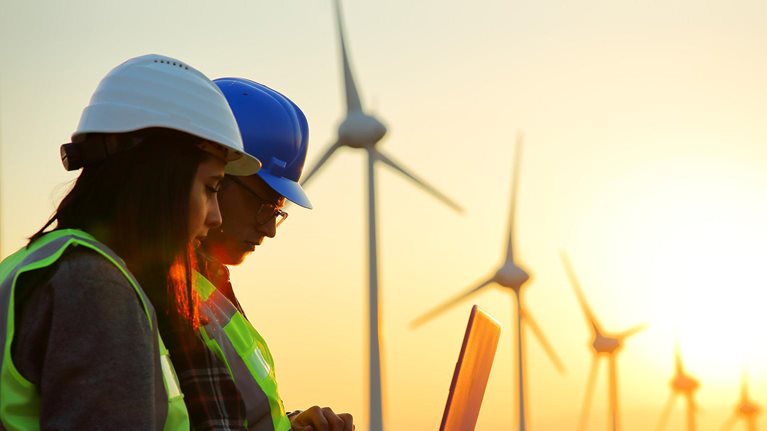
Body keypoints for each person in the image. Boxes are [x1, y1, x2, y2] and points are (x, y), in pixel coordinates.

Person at [0, 54, 261, 430]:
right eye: (210, 188)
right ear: (160, 177)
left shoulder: (43, 265)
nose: (215, 216)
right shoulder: (94, 288)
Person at [170, 77, 354, 431]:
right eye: (265, 205)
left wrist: (291, 424)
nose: (269, 228)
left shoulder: (212, 287)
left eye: (278, 212)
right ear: (219, 173)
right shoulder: (161, 292)